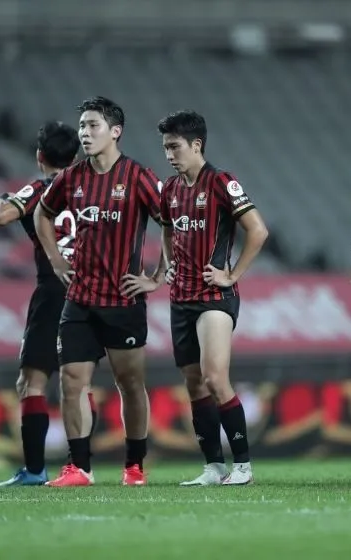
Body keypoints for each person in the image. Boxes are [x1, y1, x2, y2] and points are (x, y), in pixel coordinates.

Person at [35, 96, 164, 487]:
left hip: (123, 300)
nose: (84, 133)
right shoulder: (70, 178)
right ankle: (79, 467)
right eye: (82, 126)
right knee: (72, 381)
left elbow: (171, 222)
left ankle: (135, 465)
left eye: (92, 126)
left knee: (130, 384)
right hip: (79, 299)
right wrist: (56, 259)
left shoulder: (139, 176)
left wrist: (158, 276)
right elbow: (43, 214)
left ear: (115, 131)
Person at [156, 110, 268, 485]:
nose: (169, 154)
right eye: (165, 147)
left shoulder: (221, 182)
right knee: (193, 384)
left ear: (196, 144)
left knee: (215, 377)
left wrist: (232, 274)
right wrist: (168, 266)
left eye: (175, 146)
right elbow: (168, 233)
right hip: (181, 297)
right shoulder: (169, 189)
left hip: (214, 298)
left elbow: (258, 230)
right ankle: (213, 466)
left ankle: (243, 466)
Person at [0, 121, 99, 488]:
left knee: (32, 382)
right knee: (80, 384)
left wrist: (4, 198)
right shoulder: (90, 188)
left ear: (39, 157)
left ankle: (36, 470)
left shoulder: (39, 188)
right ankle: (80, 465)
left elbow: (1, 216)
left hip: (53, 290)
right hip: (91, 290)